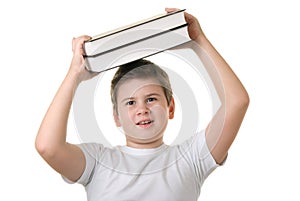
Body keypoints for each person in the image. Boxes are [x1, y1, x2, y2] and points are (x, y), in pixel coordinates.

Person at [35, 8, 249, 201]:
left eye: (151, 99)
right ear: (116, 116)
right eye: (130, 102)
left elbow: (237, 102)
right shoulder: (97, 162)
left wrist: (197, 41)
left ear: (170, 107)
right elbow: (48, 147)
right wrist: (74, 75)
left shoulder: (192, 158)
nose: (142, 109)